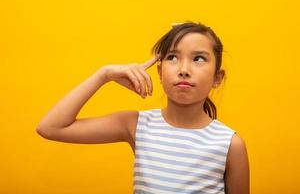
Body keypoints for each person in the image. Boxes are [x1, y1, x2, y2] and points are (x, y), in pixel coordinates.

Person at [36, 21, 250, 194]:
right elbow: (50, 127)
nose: (184, 69)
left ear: (217, 78)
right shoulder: (137, 125)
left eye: (199, 58)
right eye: (173, 57)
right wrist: (104, 74)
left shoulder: (230, 144)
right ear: (159, 72)